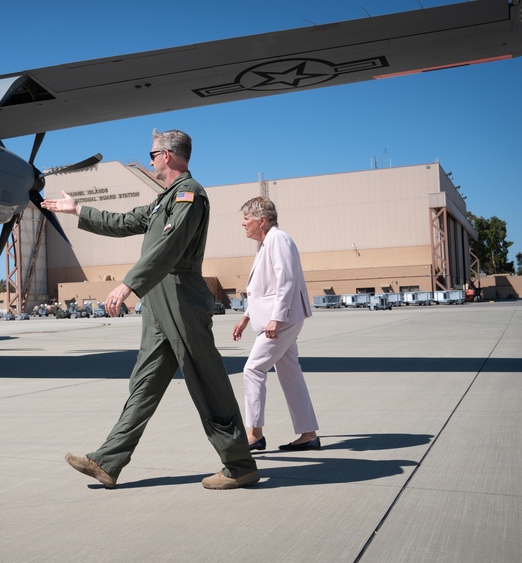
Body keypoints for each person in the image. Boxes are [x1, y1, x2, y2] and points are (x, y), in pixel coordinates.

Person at [41, 129, 258, 490]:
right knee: (144, 383)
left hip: (181, 299)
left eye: (153, 152)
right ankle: (107, 462)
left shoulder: (190, 196)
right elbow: (124, 221)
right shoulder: (164, 200)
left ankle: (239, 463)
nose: (151, 158)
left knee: (207, 381)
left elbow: (169, 249)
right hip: (159, 301)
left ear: (168, 155)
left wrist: (129, 284)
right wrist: (78, 209)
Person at [232, 196, 320, 451]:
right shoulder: (266, 243)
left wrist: (276, 318)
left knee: (253, 369)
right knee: (291, 374)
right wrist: (246, 316)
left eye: (246, 218)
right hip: (280, 318)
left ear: (262, 220)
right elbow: (264, 288)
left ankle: (255, 433)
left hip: (282, 319)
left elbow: (287, 281)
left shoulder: (278, 239)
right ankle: (308, 434)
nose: (243, 223)